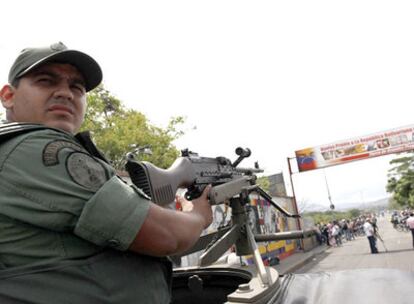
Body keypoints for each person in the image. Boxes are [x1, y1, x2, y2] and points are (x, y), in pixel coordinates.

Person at [0, 42, 213, 303]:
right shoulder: (35, 149)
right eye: (46, 81)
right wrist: (200, 215)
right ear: (8, 96)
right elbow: (166, 236)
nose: (66, 93)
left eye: (76, 87)